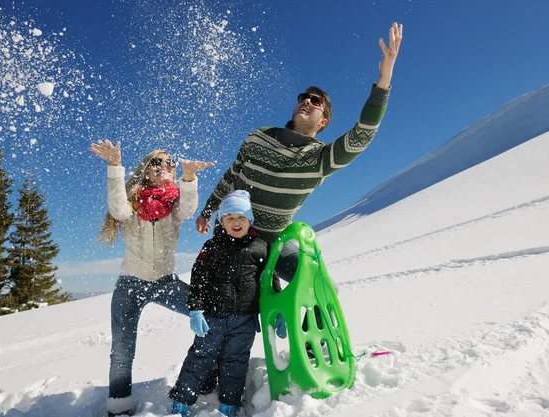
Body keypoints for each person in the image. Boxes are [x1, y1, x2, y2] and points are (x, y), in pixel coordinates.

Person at [196, 22, 403, 282]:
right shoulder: (259, 136)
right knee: (231, 308)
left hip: (272, 245)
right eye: (303, 97)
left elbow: (360, 137)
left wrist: (384, 80)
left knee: (321, 289)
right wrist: (207, 210)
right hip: (233, 236)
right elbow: (232, 175)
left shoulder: (319, 159)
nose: (307, 100)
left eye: (316, 101)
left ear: (323, 122)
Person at [90, 139, 213, 417]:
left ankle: (208, 375)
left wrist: (190, 177)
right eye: (155, 162)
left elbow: (188, 209)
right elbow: (118, 209)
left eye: (168, 161)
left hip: (165, 283)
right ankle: (119, 407)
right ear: (146, 169)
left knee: (210, 317)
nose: (162, 166)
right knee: (122, 350)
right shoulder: (133, 203)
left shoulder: (175, 204)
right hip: (130, 284)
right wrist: (114, 166)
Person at [169, 190, 277, 417]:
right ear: (222, 222)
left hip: (245, 320)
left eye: (241, 217)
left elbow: (270, 280)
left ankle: (229, 405)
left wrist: (277, 311)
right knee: (200, 357)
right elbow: (198, 278)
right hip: (213, 317)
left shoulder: (261, 247)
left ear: (250, 220)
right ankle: (181, 402)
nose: (236, 222)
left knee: (236, 362)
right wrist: (196, 309)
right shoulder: (212, 247)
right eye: (229, 218)